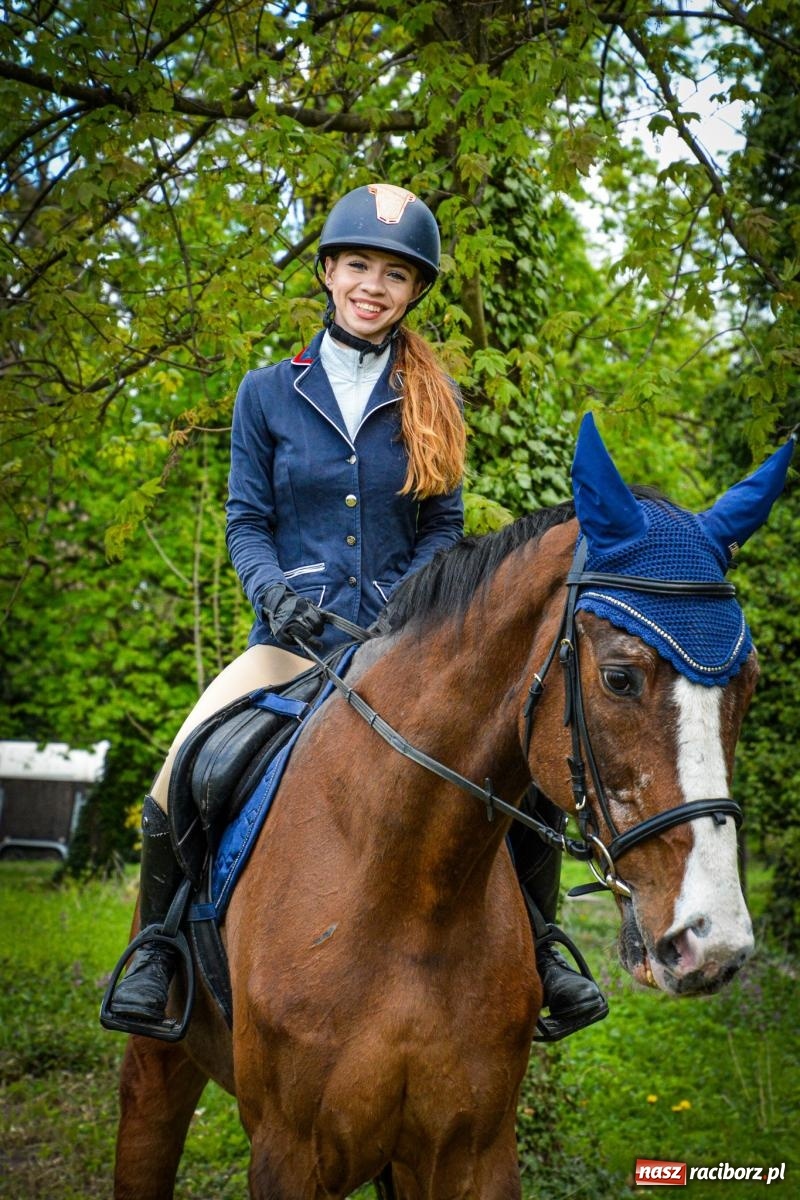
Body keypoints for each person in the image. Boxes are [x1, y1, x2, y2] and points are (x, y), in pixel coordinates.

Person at [106, 182, 605, 1039]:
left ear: (413, 292)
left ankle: (544, 947)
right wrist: (274, 593)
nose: (374, 286)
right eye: (360, 267)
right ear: (329, 272)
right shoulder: (268, 392)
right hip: (290, 641)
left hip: (406, 644)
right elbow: (246, 521)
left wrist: (401, 609)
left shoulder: (434, 395)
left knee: (519, 764)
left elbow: (442, 525)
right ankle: (157, 950)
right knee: (184, 766)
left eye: (396, 275)